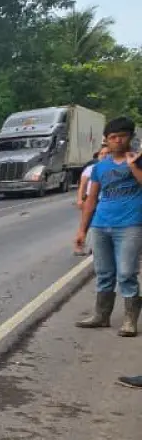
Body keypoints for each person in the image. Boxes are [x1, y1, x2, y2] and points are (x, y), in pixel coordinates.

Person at [74, 116, 142, 336]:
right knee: (104, 272)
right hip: (101, 225)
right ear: (107, 141)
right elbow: (91, 199)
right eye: (112, 138)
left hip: (130, 225)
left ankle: (130, 321)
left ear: (130, 137)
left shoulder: (139, 161)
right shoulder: (100, 167)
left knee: (126, 273)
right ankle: (101, 315)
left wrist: (133, 166)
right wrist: (82, 230)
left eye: (121, 136)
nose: (117, 141)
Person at [74, 142, 110, 255]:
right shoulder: (91, 169)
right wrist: (80, 199)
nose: (104, 155)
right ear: (98, 155)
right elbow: (82, 186)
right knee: (85, 224)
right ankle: (78, 247)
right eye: (102, 153)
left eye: (107, 153)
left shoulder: (113, 168)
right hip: (91, 199)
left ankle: (95, 247)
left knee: (100, 225)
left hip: (106, 200)